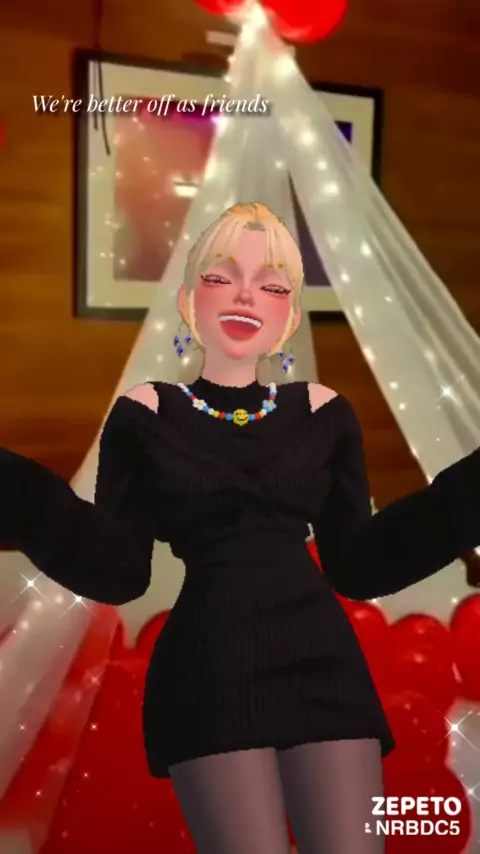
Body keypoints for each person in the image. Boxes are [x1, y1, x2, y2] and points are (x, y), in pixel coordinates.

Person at [1, 201, 480, 854]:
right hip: (210, 669)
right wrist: (18, 490)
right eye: (222, 276)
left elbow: (360, 564)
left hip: (325, 665)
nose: (247, 294)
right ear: (189, 300)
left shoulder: (323, 411)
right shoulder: (145, 413)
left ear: (289, 317)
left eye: (273, 284)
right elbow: (118, 571)